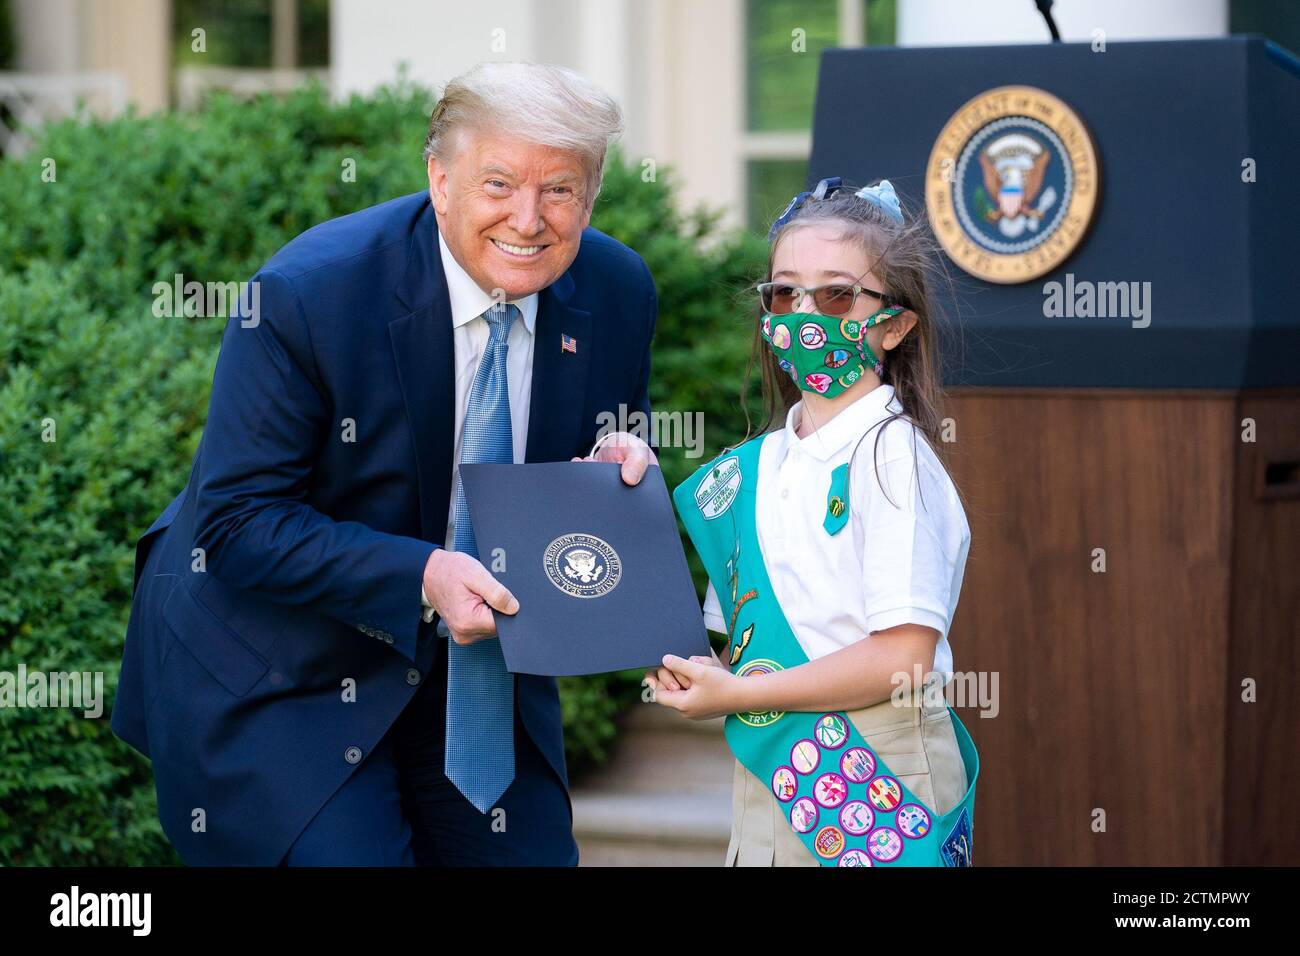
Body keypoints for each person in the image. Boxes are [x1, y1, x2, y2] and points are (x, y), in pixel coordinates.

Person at [111, 61, 658, 866]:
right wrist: (425, 576)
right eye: (499, 183)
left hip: (473, 682)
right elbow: (235, 523)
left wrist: (612, 465)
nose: (530, 218)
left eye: (562, 191)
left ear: (592, 195)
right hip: (281, 663)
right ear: (440, 180)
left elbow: (599, 445)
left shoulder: (616, 289)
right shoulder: (309, 293)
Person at [646, 177, 979, 867]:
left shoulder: (895, 460)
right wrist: (698, 674)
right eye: (783, 293)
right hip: (770, 769)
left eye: (835, 295)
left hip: (877, 765)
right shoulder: (756, 465)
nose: (804, 314)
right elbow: (750, 641)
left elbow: (902, 658)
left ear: (893, 324)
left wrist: (739, 693)